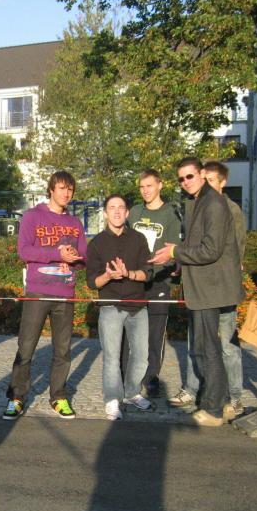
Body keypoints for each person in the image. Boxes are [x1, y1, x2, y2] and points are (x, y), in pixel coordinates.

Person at [150, 157, 245, 426]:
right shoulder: (198, 201)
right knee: (208, 346)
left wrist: (175, 252)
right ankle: (223, 403)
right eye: (181, 179)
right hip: (205, 285)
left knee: (207, 348)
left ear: (202, 174)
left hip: (210, 287)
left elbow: (211, 250)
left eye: (189, 176)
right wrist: (179, 259)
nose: (185, 182)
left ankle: (213, 410)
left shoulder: (212, 203)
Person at [3, 170, 87, 421]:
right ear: (51, 189)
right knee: (26, 348)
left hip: (65, 292)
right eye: (62, 188)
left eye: (70, 189)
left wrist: (74, 259)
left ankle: (58, 396)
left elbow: (84, 257)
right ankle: (16, 397)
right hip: (38, 291)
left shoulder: (75, 223)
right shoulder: (32, 216)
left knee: (63, 350)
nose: (66, 193)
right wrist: (56, 254)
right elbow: (24, 251)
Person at [87, 194, 152, 421]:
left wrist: (128, 273)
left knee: (141, 355)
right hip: (111, 306)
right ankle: (112, 399)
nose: (116, 211)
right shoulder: (96, 243)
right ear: (105, 213)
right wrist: (108, 276)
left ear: (127, 213)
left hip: (138, 306)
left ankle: (132, 392)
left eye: (121, 207)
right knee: (112, 357)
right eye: (112, 207)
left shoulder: (139, 239)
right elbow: (92, 282)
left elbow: (147, 273)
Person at [126, 168, 181, 397]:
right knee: (132, 332)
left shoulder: (171, 214)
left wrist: (168, 264)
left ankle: (151, 377)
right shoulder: (135, 212)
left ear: (160, 185)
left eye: (149, 185)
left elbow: (174, 250)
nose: (145, 190)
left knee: (155, 334)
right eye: (142, 187)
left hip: (159, 281)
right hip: (135, 281)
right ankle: (130, 375)